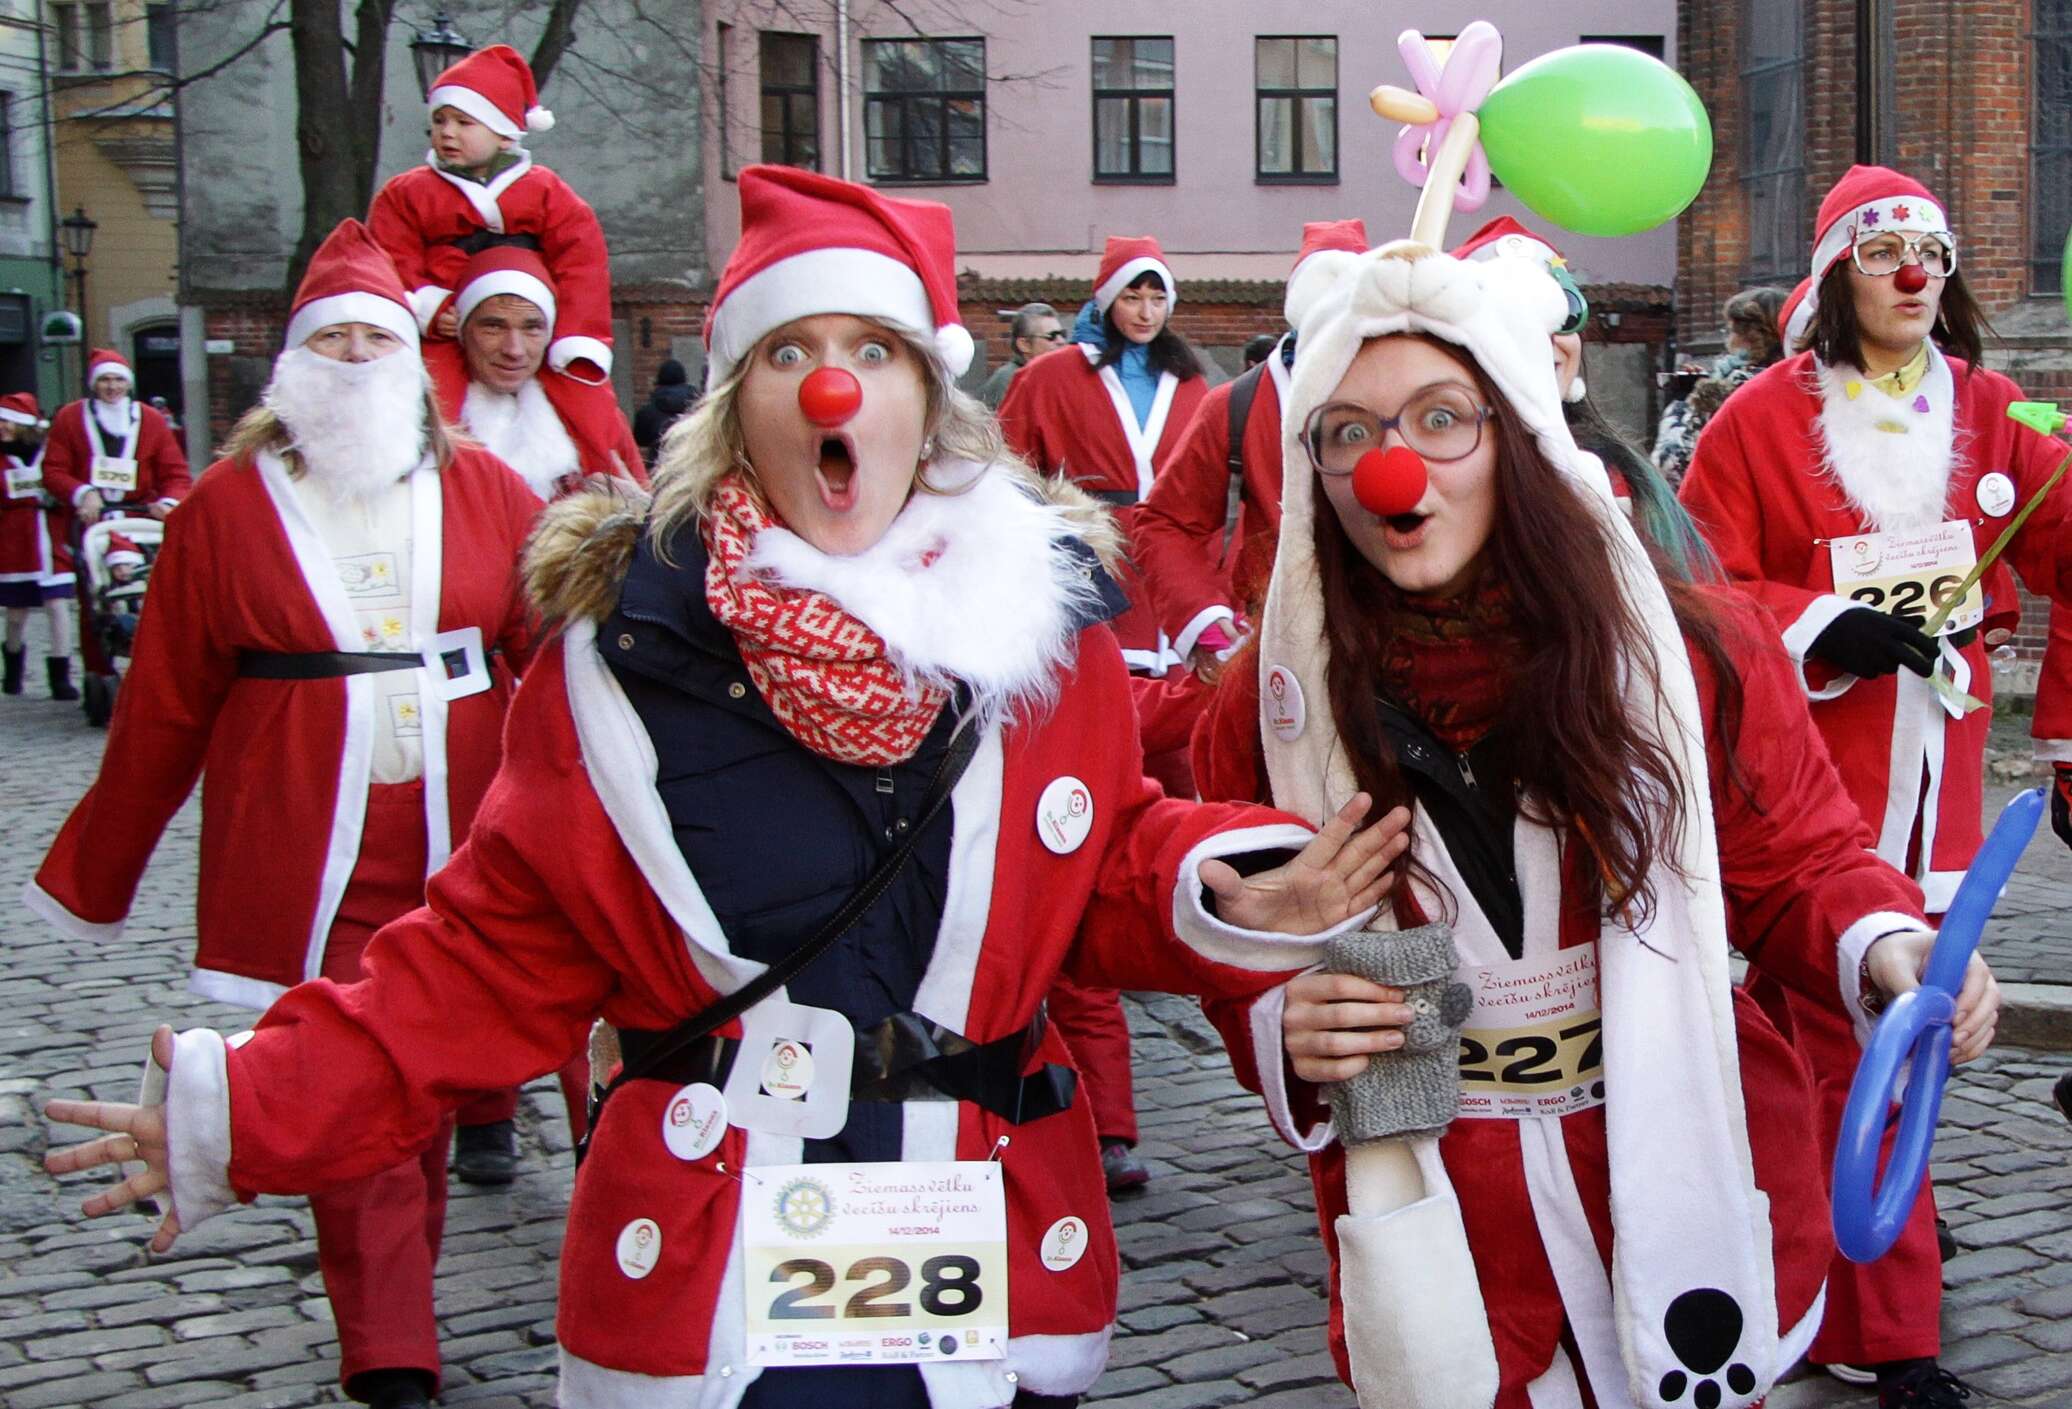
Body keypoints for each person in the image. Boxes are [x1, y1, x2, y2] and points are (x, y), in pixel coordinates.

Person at [42, 165, 1407, 1409]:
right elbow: (481, 960)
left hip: (984, 1223)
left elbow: (1095, 861)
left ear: (928, 396)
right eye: (790, 353)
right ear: (732, 405)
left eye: (872, 350)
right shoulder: (624, 661)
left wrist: (1221, 881)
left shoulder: (1037, 635)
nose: (832, 390)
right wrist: (247, 1106)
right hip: (714, 1233)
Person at [1187, 234, 2000, 1409]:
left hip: (1668, 1158)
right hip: (1444, 1195)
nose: (1389, 470)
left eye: (1439, 419)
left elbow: (1793, 859)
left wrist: (1884, 943)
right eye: (1346, 432)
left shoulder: (1692, 652)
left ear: (1518, 433)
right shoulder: (1269, 709)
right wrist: (1278, 1010)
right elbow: (1242, 940)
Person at [26, 220, 543, 1409]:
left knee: (424, 1079)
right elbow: (164, 704)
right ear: (294, 365)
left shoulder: (489, 490)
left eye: (377, 340)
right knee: (357, 1086)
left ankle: (449, 1217)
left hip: (468, 847)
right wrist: (96, 874)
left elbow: (565, 662)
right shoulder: (223, 508)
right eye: (334, 340)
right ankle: (390, 1346)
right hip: (312, 850)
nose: (356, 358)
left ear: (412, 360)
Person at [1679, 165, 2072, 1407]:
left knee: (1894, 1044)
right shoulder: (1757, 419)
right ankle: (1880, 1319)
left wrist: (2064, 739)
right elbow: (1690, 589)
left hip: (1944, 792)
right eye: (1879, 253)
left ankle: (1834, 1256)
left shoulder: (1997, 412)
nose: (1911, 275)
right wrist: (1812, 623)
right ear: (1833, 275)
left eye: (1930, 254)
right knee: (1845, 1042)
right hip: (1805, 795)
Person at [1135, 221, 1368, 688]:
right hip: (1272, 646)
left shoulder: (1405, 395)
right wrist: (1202, 617)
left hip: (1392, 641)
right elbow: (1165, 522)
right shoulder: (1236, 404)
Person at [369, 43, 613, 383]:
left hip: (531, 326)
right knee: (437, 395)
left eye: (464, 122)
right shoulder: (405, 193)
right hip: (449, 323)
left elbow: (581, 262)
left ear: (504, 135)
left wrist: (575, 335)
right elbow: (390, 256)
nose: (447, 132)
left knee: (583, 400)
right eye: (439, 120)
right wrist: (430, 306)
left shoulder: (547, 192)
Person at [424, 243, 645, 500]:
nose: (514, 350)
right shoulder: (427, 427)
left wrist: (639, 509)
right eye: (494, 327)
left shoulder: (598, 421)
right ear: (462, 330)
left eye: (532, 328)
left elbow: (654, 512)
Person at [39, 347, 190, 708]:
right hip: (93, 520)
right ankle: (99, 671)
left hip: (139, 518)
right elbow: (54, 470)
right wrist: (82, 492)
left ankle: (155, 668)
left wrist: (168, 502)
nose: (112, 387)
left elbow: (175, 473)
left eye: (118, 380)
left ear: (128, 383)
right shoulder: (71, 419)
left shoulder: (150, 420)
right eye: (105, 380)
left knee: (155, 592)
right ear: (94, 384)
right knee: (94, 598)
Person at [1652, 287, 1790, 484]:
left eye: (1730, 331)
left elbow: (1671, 465)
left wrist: (1682, 402)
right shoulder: (1802, 383)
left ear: (1746, 336)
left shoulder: (1726, 391)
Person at [0, 392, 77, 699]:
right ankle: (13, 668)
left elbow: (64, 479)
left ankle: (61, 677)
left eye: (7, 421)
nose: (2, 427)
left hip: (52, 537)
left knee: (58, 606)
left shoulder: (49, 452)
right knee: (16, 613)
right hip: (15, 542)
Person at [978, 302, 1064, 410]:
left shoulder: (1048, 376)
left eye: (1062, 334)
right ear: (1024, 345)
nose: (1061, 341)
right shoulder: (1011, 381)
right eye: (1051, 336)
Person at [633, 358, 696, 466]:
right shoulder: (698, 404)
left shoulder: (649, 410)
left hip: (660, 465)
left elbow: (640, 439)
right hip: (692, 465)